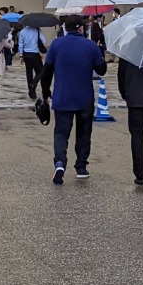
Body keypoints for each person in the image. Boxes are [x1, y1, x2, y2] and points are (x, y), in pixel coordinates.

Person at [40, 16, 107, 184]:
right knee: (84, 133)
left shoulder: (56, 44)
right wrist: (98, 51)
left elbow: (46, 71)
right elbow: (102, 70)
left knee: (61, 132)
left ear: (65, 27)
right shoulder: (90, 46)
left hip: (62, 96)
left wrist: (46, 92)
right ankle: (81, 166)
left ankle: (60, 162)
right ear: (81, 28)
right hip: (84, 97)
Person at [17, 22, 45, 100]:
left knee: (29, 72)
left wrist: (21, 55)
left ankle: (31, 92)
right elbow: (43, 40)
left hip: (26, 54)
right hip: (35, 53)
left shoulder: (23, 31)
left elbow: (21, 44)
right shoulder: (37, 30)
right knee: (41, 71)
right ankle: (34, 83)